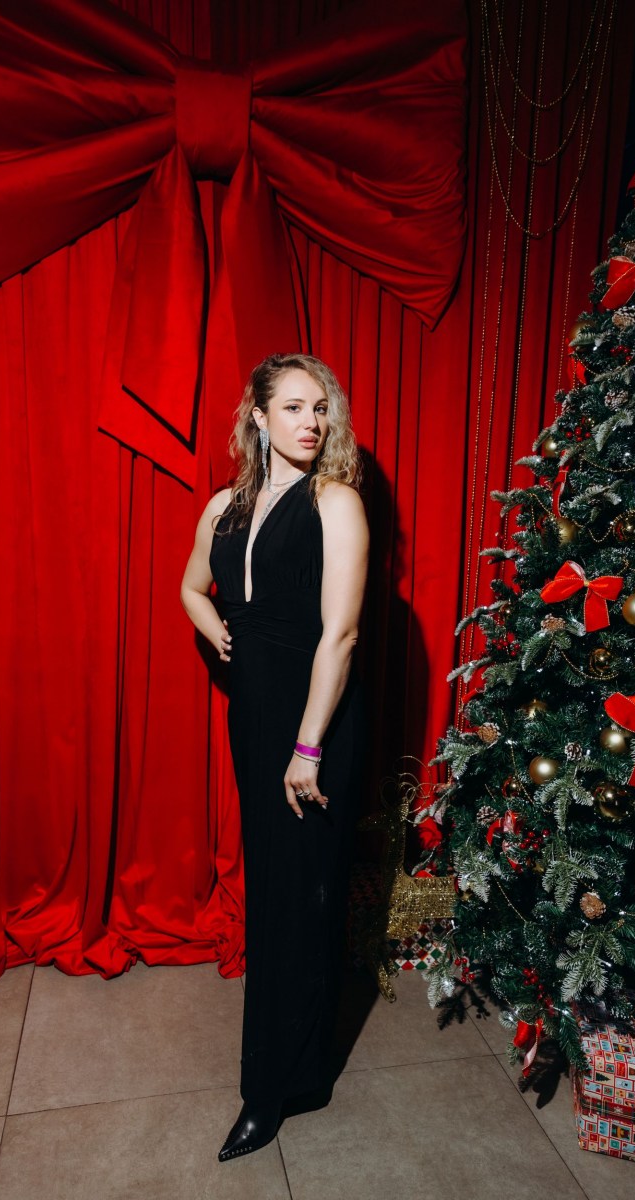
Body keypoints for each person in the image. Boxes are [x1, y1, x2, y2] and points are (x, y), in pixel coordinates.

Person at [180, 352, 369, 1161]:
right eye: (293, 407)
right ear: (258, 417)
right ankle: (297, 1073)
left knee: (302, 897)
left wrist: (308, 748)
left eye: (320, 408)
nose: (311, 422)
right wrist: (218, 631)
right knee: (276, 890)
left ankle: (272, 1089)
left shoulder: (336, 502)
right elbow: (191, 586)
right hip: (253, 721)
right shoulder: (224, 506)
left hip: (313, 723)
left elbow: (342, 635)